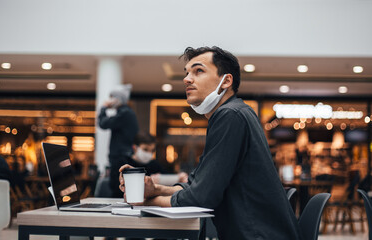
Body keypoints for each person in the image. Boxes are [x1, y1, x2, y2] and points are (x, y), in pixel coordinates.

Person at [119, 47, 301, 239]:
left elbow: (200, 198)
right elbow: (195, 186)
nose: (187, 79)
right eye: (187, 73)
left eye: (198, 71)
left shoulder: (230, 116)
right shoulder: (234, 113)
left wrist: (147, 202)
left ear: (226, 81)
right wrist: (155, 189)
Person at [98, 84, 139, 197]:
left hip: (120, 158)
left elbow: (103, 123)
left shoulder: (124, 113)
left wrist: (103, 108)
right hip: (123, 157)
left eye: (112, 97)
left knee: (117, 189)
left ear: (118, 99)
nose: (110, 100)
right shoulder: (127, 113)